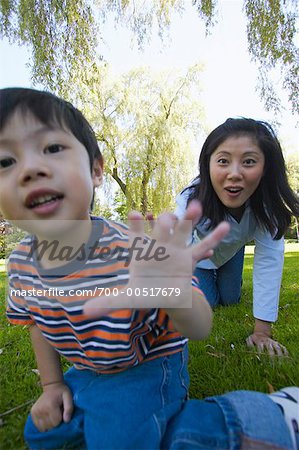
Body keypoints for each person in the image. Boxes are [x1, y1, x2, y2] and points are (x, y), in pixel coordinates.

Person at [1, 87, 298, 450]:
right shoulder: (20, 266)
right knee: (39, 434)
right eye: (5, 162)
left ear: (96, 170)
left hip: (148, 363)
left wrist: (169, 289)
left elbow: (200, 325)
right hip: (92, 367)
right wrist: (52, 386)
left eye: (51, 148)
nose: (30, 169)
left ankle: (270, 415)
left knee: (122, 442)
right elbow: (36, 322)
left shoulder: (134, 250)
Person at [175, 118, 299, 356]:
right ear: (207, 164)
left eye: (249, 162)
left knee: (231, 299)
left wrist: (262, 331)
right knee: (207, 302)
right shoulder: (192, 198)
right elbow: (175, 245)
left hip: (233, 253)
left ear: (266, 168)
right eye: (223, 161)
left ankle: (228, 282)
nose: (234, 174)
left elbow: (269, 260)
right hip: (200, 258)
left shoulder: (268, 206)